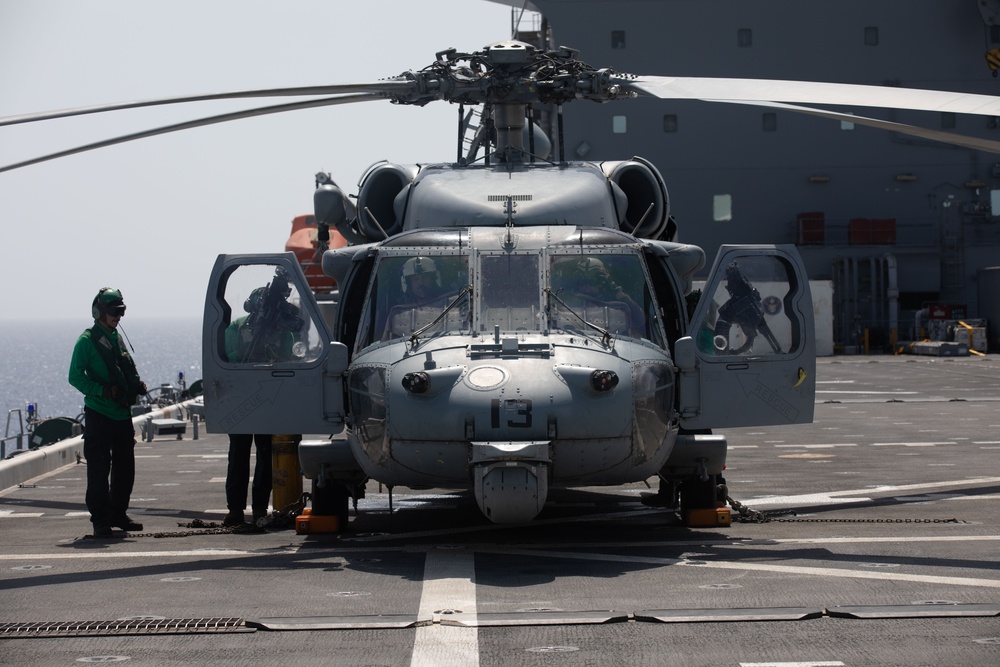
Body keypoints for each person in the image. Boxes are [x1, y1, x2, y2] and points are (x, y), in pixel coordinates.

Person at [68, 287, 147, 538]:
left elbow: (122, 367)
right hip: (99, 415)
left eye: (121, 312)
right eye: (114, 312)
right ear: (100, 312)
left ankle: (118, 514)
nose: (118, 317)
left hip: (122, 415)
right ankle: (100, 520)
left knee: (125, 469)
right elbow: (75, 377)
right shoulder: (86, 341)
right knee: (99, 471)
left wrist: (136, 385)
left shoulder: (115, 337)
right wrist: (101, 391)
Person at [222, 283, 301, 528]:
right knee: (239, 454)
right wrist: (250, 354)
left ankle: (259, 509)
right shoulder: (237, 327)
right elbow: (228, 356)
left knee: (266, 456)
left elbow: (289, 360)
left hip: (268, 399)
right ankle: (235, 509)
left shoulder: (283, 332)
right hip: (243, 398)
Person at [551, 257, 644, 335]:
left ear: (601, 282)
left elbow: (639, 319)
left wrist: (614, 287)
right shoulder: (566, 301)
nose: (586, 286)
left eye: (592, 281)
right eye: (582, 281)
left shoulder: (613, 302)